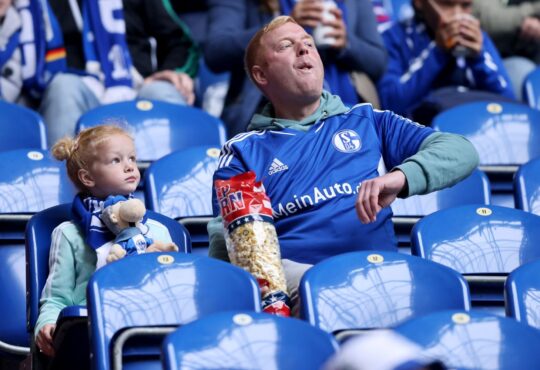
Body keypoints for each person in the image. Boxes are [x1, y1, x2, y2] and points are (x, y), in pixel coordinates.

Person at [208, 16, 478, 313]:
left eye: (309, 43)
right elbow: (231, 247)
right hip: (305, 283)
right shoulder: (243, 151)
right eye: (286, 45)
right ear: (261, 76)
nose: (303, 49)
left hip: (380, 273)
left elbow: (461, 150)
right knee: (324, 294)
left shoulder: (369, 120)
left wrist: (400, 177)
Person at [35, 125, 175, 358]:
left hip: (149, 327)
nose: (130, 166)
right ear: (87, 177)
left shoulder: (158, 230)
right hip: (88, 335)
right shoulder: (68, 234)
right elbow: (56, 297)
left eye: (132, 158)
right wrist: (47, 323)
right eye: (116, 160)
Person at [21, 0, 198, 145]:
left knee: (160, 91)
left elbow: (180, 42)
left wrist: (172, 72)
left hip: (138, 87)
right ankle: (63, 179)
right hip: (79, 93)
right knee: (63, 86)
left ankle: (180, 179)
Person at [204, 0, 387, 137]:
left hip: (344, 111)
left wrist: (347, 43)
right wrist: (279, 29)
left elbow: (378, 63)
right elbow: (216, 51)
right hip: (269, 117)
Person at [376, 0, 516, 125]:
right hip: (427, 137)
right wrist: (438, 52)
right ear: (419, 2)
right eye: (447, 4)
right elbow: (390, 103)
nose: (457, 15)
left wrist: (479, 56)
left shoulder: (477, 37)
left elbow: (509, 101)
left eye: (465, 5)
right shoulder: (392, 37)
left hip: (479, 126)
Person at [473, 0, 540, 101]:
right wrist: (530, 13)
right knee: (524, 74)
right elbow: (490, 20)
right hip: (497, 58)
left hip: (531, 53)